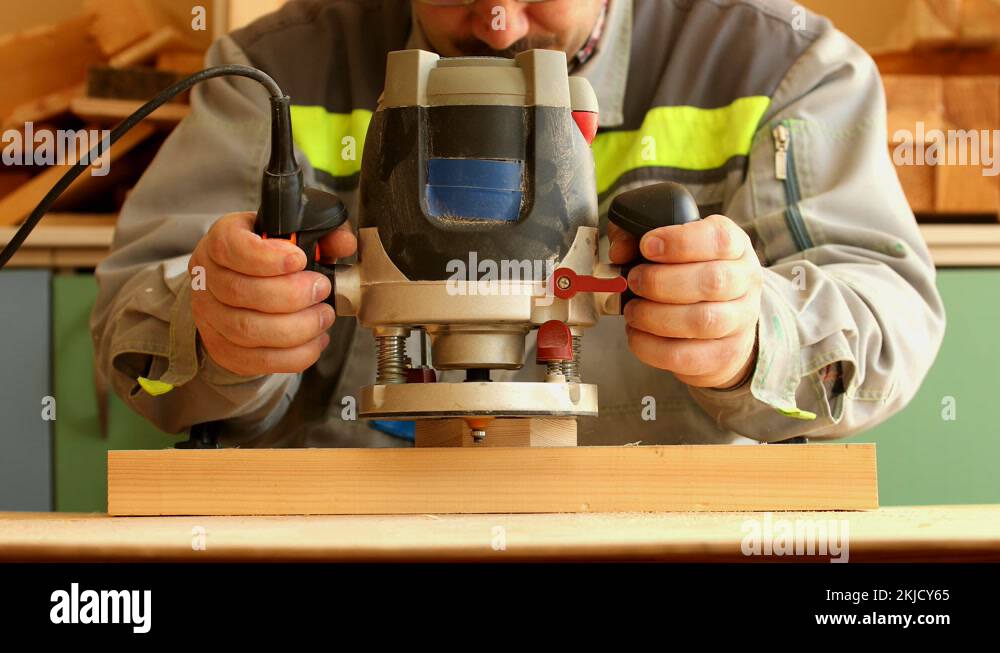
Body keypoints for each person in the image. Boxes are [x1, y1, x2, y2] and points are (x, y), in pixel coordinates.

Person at [91, 0, 945, 447]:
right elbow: (133, 341)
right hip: (363, 542)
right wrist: (213, 320)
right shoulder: (268, 72)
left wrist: (761, 336)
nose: (497, 20)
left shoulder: (782, 65)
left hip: (658, 544)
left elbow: (889, 310)